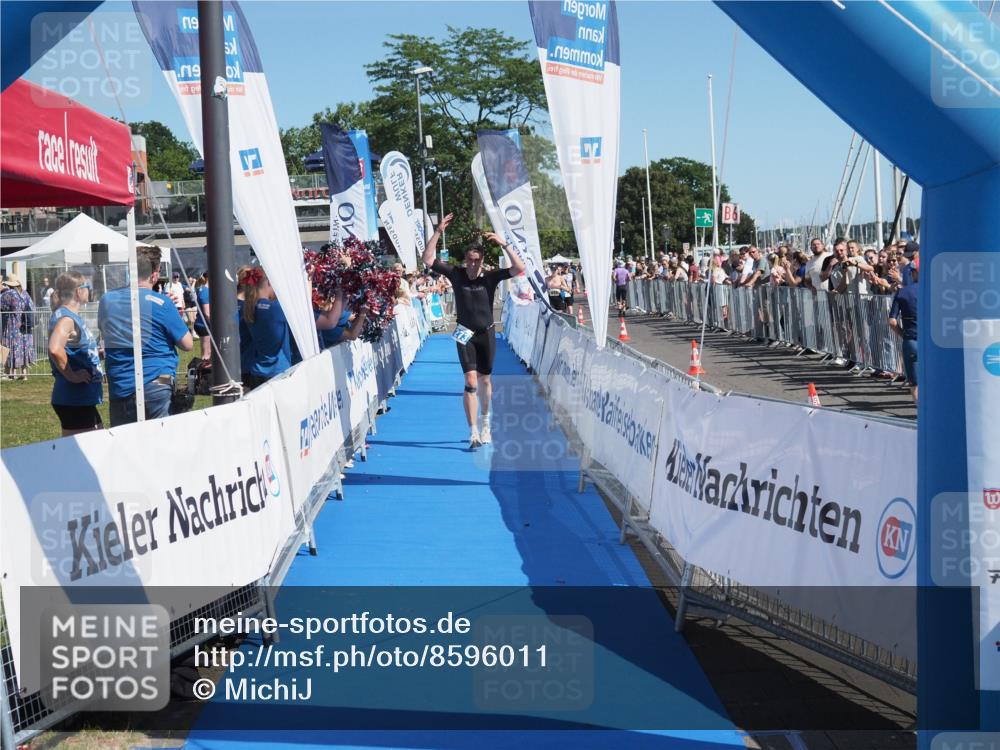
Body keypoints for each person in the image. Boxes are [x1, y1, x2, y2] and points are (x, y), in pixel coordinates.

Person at [421, 212, 524, 448]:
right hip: (464, 333)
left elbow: (519, 268)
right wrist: (438, 232)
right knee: (470, 381)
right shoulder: (456, 274)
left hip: (486, 332)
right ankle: (473, 431)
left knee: (485, 381)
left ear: (482, 259)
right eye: (470, 259)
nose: (474, 264)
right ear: (465, 259)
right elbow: (428, 260)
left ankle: (486, 422)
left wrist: (504, 244)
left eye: (477, 260)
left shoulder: (490, 277)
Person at [98, 246, 194, 425]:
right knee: (159, 444)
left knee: (125, 445)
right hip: (157, 382)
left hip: (120, 384)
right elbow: (187, 344)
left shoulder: (107, 300)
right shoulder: (163, 303)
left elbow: (107, 332)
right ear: (155, 274)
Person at [47, 272, 104, 436]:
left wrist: (96, 354)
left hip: (78, 398)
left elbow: (70, 349)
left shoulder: (66, 315)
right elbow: (55, 349)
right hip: (74, 397)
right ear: (79, 291)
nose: (90, 291)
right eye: (88, 287)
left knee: (87, 447)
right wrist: (72, 375)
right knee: (88, 451)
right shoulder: (66, 319)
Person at [888, 264, 919, 402]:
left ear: (913, 273)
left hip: (911, 340)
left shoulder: (903, 292)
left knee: (914, 381)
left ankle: (920, 414)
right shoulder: (936, 290)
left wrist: (904, 335)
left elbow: (892, 322)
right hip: (932, 342)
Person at [1, 274, 36, 380]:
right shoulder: (24, 293)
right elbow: (32, 306)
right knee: (24, 348)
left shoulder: (9, 294)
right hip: (25, 327)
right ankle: (24, 374)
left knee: (11, 348)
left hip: (12, 326)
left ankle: (11, 374)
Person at [193, 272, 211, 361]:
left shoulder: (205, 290)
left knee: (208, 352)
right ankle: (204, 374)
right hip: (204, 325)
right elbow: (207, 313)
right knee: (206, 353)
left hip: (204, 324)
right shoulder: (205, 291)